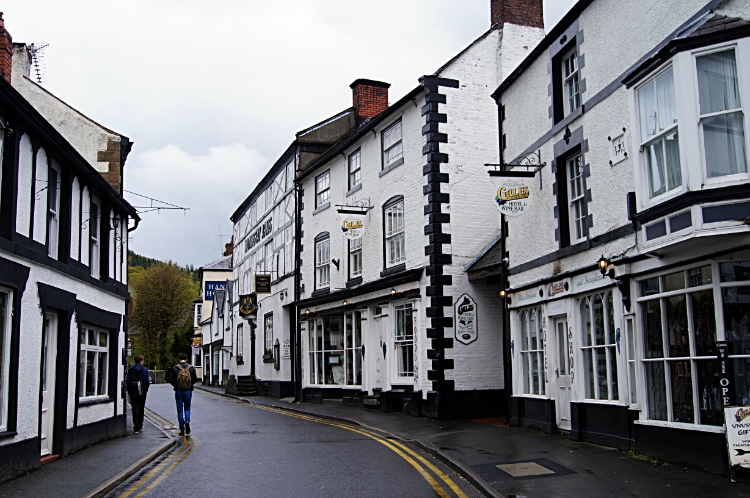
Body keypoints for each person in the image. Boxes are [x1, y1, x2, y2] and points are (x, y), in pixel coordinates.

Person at [166, 353, 198, 436]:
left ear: (179, 360)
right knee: (187, 408)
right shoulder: (191, 368)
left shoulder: (175, 368)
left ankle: (182, 429)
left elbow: (171, 379)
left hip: (179, 391)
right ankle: (187, 420)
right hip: (188, 391)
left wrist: (176, 386)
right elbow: (195, 379)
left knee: (179, 410)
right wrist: (190, 385)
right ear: (186, 360)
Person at [126, 355, 150, 434]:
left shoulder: (131, 370)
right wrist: (145, 391)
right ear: (141, 361)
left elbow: (128, 382)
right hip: (142, 392)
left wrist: (130, 391)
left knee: (134, 409)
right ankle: (140, 425)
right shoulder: (144, 370)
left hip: (133, 392)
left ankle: (135, 426)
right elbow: (147, 382)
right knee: (141, 408)